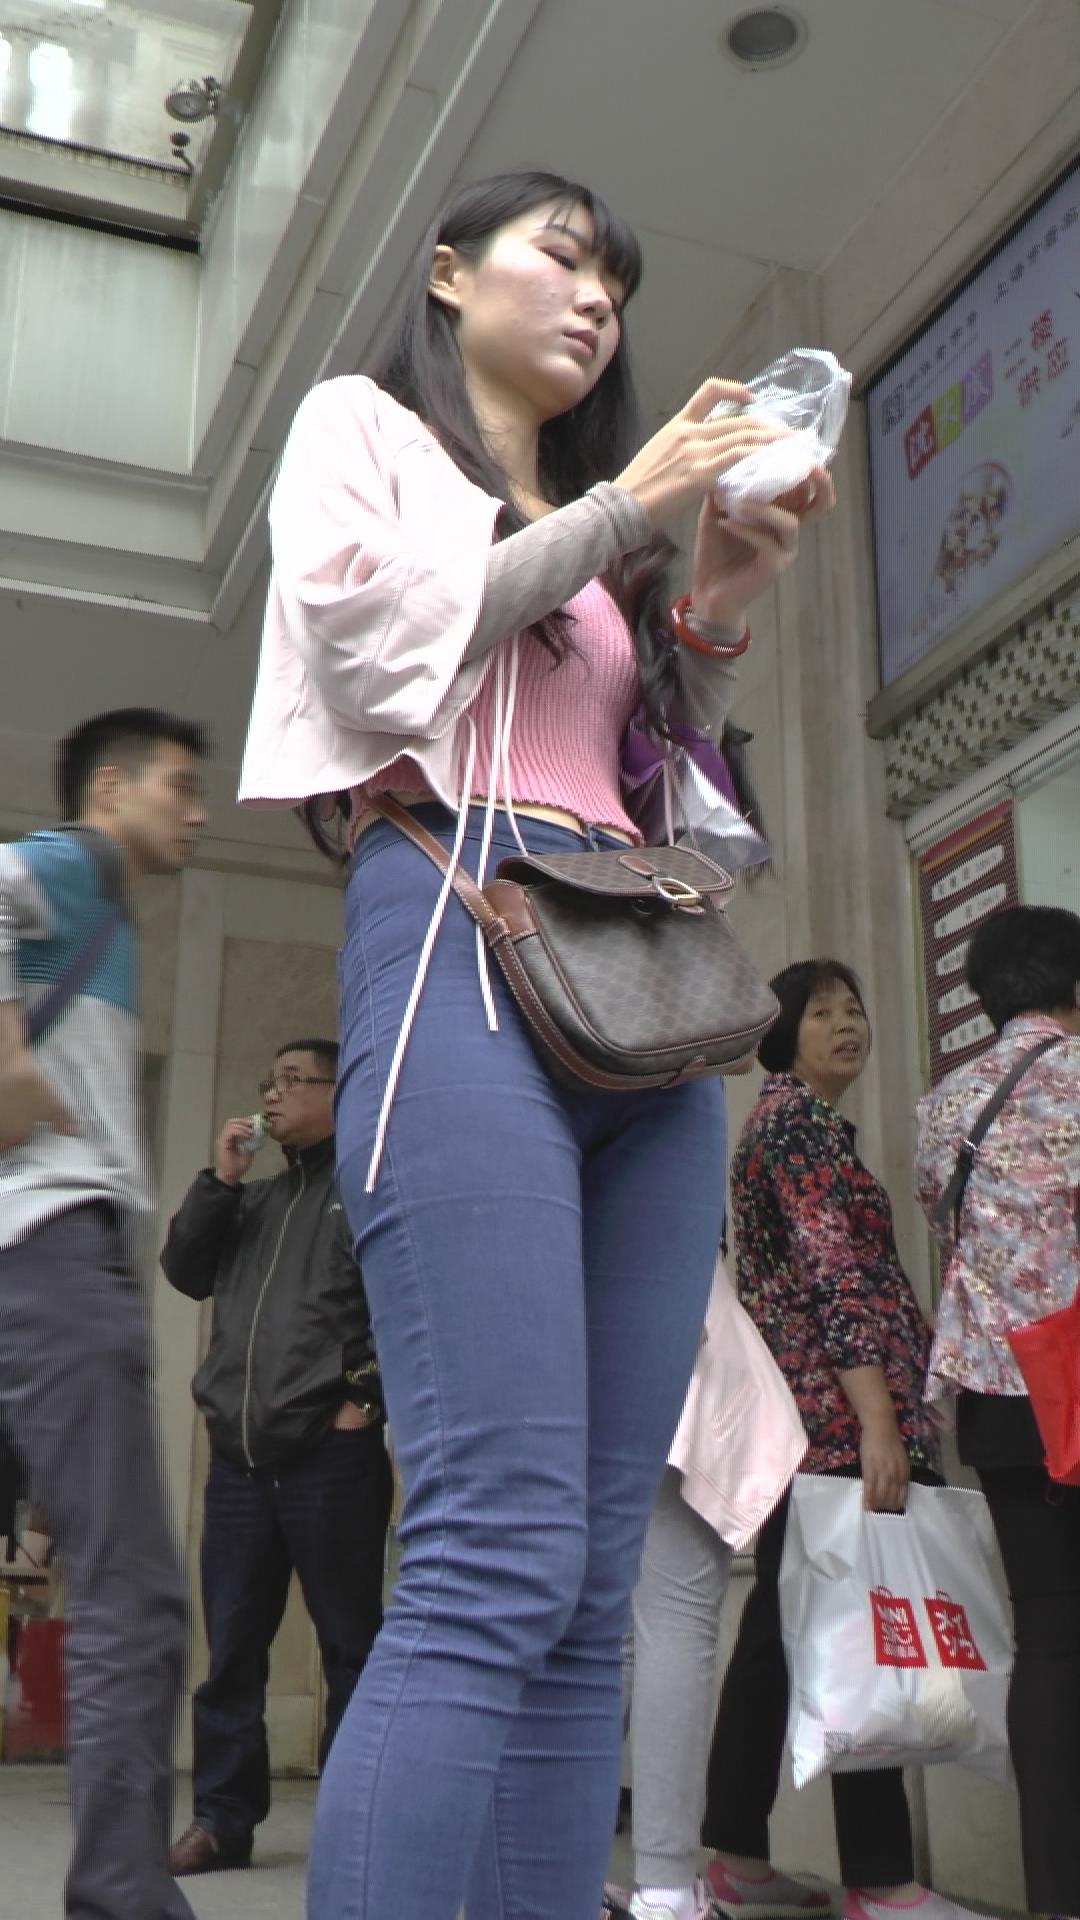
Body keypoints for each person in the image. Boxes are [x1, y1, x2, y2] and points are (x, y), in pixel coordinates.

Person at [237, 167, 834, 1920]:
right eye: (564, 258)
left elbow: (659, 779)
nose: (596, 300)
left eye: (615, 284)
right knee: (489, 1550)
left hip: (638, 974)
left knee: (583, 1589)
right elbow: (371, 656)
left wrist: (711, 598)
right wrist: (628, 507)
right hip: (455, 919)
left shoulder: (601, 519)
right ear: (448, 272)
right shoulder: (363, 427)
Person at [702, 960, 992, 1920]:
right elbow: (835, 1277)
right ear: (782, 1033)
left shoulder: (792, 1125)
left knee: (781, 1643)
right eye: (821, 1010)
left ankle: (737, 1861)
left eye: (854, 1007)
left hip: (809, 1421)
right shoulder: (799, 1130)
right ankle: (880, 1881)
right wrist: (877, 1422)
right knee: (860, 1632)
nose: (846, 1023)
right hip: (836, 1423)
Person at [0, 708, 208, 1920]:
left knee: (124, 1583)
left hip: (54, 1255)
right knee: (133, 1593)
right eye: (179, 787)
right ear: (111, 788)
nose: (197, 812)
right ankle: (124, 1902)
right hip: (52, 1249)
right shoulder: (74, 864)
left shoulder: (112, 919)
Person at [161, 1037, 392, 1877]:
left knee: (351, 1647)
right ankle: (222, 1822)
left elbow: (403, 1306)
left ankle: (355, 1824)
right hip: (240, 1461)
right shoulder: (251, 1201)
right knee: (231, 1654)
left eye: (294, 1080)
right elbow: (184, 1269)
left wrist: (363, 1402)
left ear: (340, 1093)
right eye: (270, 1081)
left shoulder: (366, 1191)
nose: (273, 1094)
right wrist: (219, 1180)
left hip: (331, 1457)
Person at [915, 905, 1080, 1920]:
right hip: (1078, 1381)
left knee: (1049, 1637)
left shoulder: (946, 1104)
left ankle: (1057, 1895)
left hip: (1001, 1396)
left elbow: (947, 1223)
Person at [604, 1259, 807, 1920]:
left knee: (608, 1636)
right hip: (659, 1349)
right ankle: (665, 1888)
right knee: (675, 1618)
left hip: (564, 1364)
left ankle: (563, 1871)